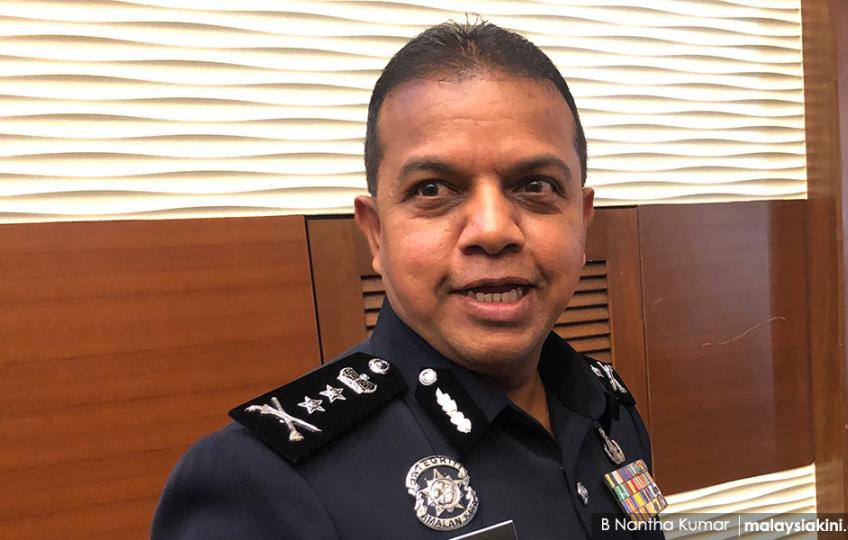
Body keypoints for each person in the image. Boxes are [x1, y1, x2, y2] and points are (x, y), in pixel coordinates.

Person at [152, 19, 665, 540]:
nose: (492, 231)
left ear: (581, 221)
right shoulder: (263, 483)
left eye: (535, 185)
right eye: (433, 189)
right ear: (376, 234)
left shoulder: (606, 407)